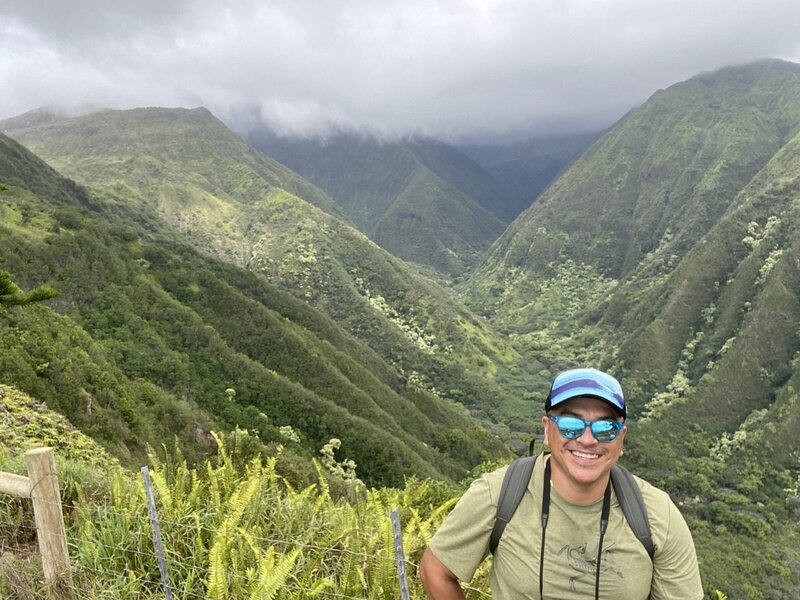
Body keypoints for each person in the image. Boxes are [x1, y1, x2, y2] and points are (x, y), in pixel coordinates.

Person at [419, 367, 703, 599]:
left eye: (605, 428)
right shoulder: (500, 494)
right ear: (547, 430)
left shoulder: (656, 515)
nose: (588, 439)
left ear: (621, 439)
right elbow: (436, 570)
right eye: (571, 424)